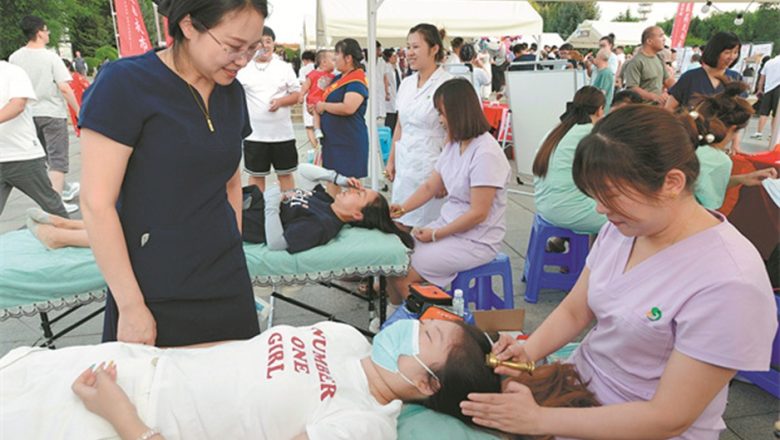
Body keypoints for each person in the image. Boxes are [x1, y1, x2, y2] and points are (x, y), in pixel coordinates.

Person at [461, 105, 777, 439]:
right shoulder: (625, 228)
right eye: (594, 195)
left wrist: (537, 421)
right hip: (579, 387)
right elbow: (575, 309)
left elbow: (669, 417)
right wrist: (527, 352)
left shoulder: (729, 281)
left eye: (609, 196)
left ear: (672, 182)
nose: (599, 208)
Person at [78, 0, 268, 347]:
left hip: (226, 280)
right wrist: (131, 306)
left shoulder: (232, 93)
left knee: (232, 391)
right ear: (189, 25)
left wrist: (232, 247)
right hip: (154, 286)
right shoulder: (125, 84)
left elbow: (230, 182)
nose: (242, 61)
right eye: (233, 47)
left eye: (252, 49)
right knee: (153, 396)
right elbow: (95, 203)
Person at [1, 319, 501, 439]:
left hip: (127, 419)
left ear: (429, 383)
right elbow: (236, 351)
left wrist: (121, 417)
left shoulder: (360, 422)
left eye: (426, 336)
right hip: (127, 365)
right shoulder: (347, 336)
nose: (409, 326)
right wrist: (142, 353)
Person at [29, 164, 414, 255]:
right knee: (150, 217)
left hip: (231, 221)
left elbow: (279, 245)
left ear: (358, 216)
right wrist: (341, 178)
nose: (348, 193)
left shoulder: (323, 225)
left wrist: (271, 203)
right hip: (233, 201)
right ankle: (67, 223)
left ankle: (61, 238)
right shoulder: (326, 200)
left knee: (150, 233)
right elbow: (302, 169)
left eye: (357, 197)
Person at [387, 78, 511, 313]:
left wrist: (436, 234)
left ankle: (427, 323)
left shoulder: (486, 153)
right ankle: (404, 316)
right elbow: (430, 187)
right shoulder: (454, 145)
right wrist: (401, 209)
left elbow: (478, 214)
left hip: (477, 239)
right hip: (450, 227)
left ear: (458, 112)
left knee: (404, 268)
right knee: (394, 257)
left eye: (441, 114)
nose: (440, 120)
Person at [10, 15, 81, 213]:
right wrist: (79, 111)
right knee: (57, 159)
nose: (48, 33)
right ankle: (56, 204)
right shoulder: (51, 57)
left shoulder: (15, 58)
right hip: (52, 113)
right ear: (40, 32)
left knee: (42, 158)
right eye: (47, 29)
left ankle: (63, 189)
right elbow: (65, 88)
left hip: (26, 114)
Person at [385, 23, 453, 229]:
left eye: (416, 47)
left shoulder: (447, 84)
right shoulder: (406, 83)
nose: (410, 53)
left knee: (429, 227)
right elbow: (400, 124)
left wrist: (443, 175)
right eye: (408, 47)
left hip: (432, 164)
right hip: (406, 162)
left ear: (434, 49)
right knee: (399, 219)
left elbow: (452, 132)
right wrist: (391, 160)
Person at [688, 83, 778, 210]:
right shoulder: (720, 161)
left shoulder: (684, 141)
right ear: (733, 129)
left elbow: (702, 183)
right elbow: (709, 205)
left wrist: (742, 178)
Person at [532, 86, 606, 235]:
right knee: (630, 218)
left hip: (544, 207)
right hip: (568, 212)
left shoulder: (557, 130)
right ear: (600, 110)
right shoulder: (590, 133)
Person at [0, 61, 69, 219]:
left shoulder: (13, 72)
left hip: (22, 156)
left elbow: (18, 105)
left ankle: (77, 239)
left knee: (52, 207)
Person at [237, 26, 301, 192]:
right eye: (260, 41)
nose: (264, 45)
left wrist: (281, 102)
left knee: (285, 174)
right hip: (254, 135)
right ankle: (257, 213)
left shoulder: (284, 67)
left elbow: (297, 95)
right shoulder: (243, 68)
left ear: (274, 44)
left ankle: (289, 211)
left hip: (282, 134)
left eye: (268, 41)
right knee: (256, 176)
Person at [316, 38, 370, 191]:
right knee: (332, 181)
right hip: (333, 141)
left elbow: (349, 107)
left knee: (352, 185)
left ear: (348, 58)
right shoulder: (339, 78)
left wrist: (324, 106)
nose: (334, 60)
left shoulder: (356, 80)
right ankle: (333, 214)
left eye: (337, 56)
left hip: (349, 140)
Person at [666, 32, 744, 112]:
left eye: (735, 52)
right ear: (715, 52)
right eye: (727, 52)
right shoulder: (690, 77)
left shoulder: (736, 78)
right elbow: (669, 108)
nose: (731, 57)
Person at [621, 26, 674, 105]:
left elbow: (667, 80)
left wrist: (680, 89)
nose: (664, 39)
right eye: (660, 36)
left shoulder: (659, 58)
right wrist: (655, 97)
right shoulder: (636, 62)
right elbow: (632, 88)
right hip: (642, 109)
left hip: (658, 107)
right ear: (649, 41)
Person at [300, 50, 335, 148]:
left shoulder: (333, 76)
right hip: (315, 99)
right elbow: (306, 85)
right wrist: (301, 95)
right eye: (332, 60)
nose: (335, 62)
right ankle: (317, 129)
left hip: (324, 101)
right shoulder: (313, 74)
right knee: (315, 113)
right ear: (324, 62)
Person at [751, 53, 780, 141]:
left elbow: (762, 78)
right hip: (779, 89)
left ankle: (759, 132)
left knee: (764, 112)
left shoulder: (769, 62)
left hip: (768, 89)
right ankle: (772, 134)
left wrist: (760, 89)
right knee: (776, 114)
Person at [62, 58, 90, 137]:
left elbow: (89, 88)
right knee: (78, 130)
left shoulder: (77, 77)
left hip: (82, 105)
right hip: (72, 107)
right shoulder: (63, 81)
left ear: (67, 67)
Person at [298, 50, 317, 147]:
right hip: (318, 97)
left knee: (309, 126)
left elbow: (302, 83)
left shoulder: (303, 69)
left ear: (304, 60)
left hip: (308, 97)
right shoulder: (318, 68)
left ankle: (315, 146)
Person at [590, 48, 615, 113]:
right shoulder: (602, 72)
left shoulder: (605, 73)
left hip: (601, 111)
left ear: (600, 58)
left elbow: (602, 94)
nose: (594, 59)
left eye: (596, 57)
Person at [382, 48, 401, 134]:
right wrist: (387, 92)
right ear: (389, 58)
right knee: (390, 115)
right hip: (391, 94)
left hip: (397, 93)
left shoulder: (396, 67)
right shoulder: (387, 67)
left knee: (396, 115)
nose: (396, 57)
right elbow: (385, 80)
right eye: (394, 56)